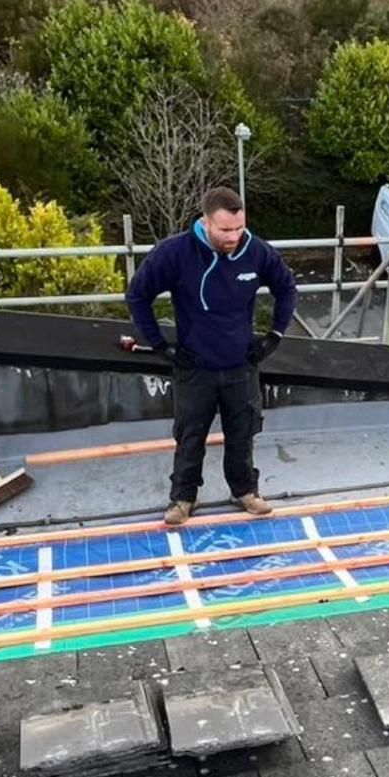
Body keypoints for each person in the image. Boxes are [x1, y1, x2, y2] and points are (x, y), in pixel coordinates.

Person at [126, 185, 297, 527]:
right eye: (225, 230)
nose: (234, 236)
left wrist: (273, 336)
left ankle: (245, 490)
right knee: (190, 436)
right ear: (206, 223)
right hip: (194, 366)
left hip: (241, 364)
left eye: (239, 228)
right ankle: (183, 498)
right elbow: (137, 295)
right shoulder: (175, 253)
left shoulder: (256, 251)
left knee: (243, 433)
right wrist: (161, 345)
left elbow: (286, 287)